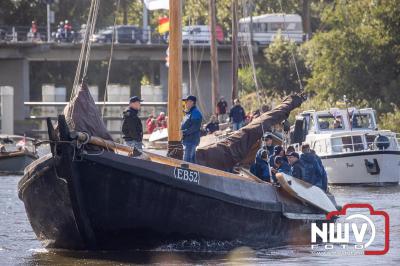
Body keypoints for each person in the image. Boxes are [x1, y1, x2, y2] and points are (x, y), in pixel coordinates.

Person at [181, 95, 203, 163]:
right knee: (192, 161)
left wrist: (183, 132)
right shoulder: (189, 113)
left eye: (187, 102)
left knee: (187, 162)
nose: (185, 103)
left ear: (191, 102)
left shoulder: (195, 112)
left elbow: (195, 127)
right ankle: (197, 172)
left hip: (191, 140)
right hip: (188, 140)